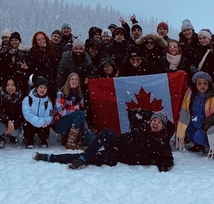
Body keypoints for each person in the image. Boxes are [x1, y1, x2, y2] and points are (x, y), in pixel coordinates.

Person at [35, 109, 174, 172]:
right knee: (106, 132)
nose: (155, 123)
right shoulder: (141, 125)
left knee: (92, 157)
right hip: (117, 142)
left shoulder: (162, 142)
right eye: (154, 120)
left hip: (119, 156)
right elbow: (133, 112)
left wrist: (163, 166)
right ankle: (83, 159)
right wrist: (153, 114)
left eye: (159, 122)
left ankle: (50, 157)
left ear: (163, 127)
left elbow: (168, 159)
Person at [176, 71, 214, 158]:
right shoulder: (190, 95)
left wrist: (207, 123)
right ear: (195, 85)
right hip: (195, 121)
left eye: (205, 83)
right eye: (199, 83)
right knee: (186, 129)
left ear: (209, 84)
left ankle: (212, 146)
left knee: (198, 136)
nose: (202, 86)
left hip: (208, 124)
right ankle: (199, 146)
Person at [52, 72, 93, 149]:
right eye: (72, 79)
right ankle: (71, 143)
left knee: (81, 117)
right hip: (59, 123)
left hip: (72, 123)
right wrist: (76, 108)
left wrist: (85, 131)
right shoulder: (61, 93)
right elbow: (61, 112)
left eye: (76, 79)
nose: (74, 81)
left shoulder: (79, 96)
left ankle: (91, 142)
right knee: (79, 113)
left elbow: (82, 117)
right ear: (68, 81)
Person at [22, 77, 53, 149]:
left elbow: (49, 115)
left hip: (43, 125)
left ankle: (43, 139)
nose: (42, 90)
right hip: (31, 123)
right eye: (41, 87)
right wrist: (40, 122)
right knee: (27, 124)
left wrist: (44, 122)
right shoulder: (28, 99)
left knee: (46, 126)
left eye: (45, 88)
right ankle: (29, 140)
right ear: (36, 88)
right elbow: (28, 114)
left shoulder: (48, 101)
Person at [0, 76, 24, 148]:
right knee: (0, 129)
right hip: (3, 121)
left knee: (14, 133)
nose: (10, 87)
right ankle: (1, 137)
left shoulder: (20, 97)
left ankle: (11, 136)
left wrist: (14, 124)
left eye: (13, 85)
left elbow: (21, 115)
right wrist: (8, 121)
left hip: (14, 122)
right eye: (7, 85)